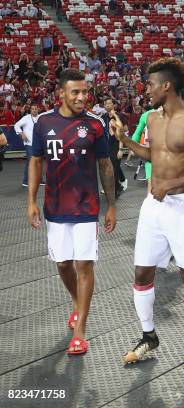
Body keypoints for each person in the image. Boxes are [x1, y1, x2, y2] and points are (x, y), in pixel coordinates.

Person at [113, 57, 184, 365]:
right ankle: (149, 337)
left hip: (183, 206)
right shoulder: (153, 119)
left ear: (167, 85)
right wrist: (125, 140)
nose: (147, 89)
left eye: (152, 84)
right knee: (142, 272)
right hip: (154, 207)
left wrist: (170, 185)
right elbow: (154, 154)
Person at [27, 68, 117, 355]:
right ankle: (77, 303)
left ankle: (80, 330)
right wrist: (31, 200)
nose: (81, 97)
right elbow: (35, 162)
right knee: (63, 264)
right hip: (54, 207)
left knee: (84, 264)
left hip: (86, 206)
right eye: (75, 92)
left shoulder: (95, 124)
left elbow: (105, 164)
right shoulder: (43, 122)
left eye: (84, 91)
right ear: (61, 94)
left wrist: (111, 205)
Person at [102, 97, 127, 198]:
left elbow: (125, 129)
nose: (107, 105)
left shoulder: (120, 115)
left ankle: (116, 190)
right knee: (111, 165)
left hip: (117, 144)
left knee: (114, 167)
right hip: (106, 144)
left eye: (109, 103)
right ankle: (120, 182)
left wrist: (121, 148)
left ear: (113, 105)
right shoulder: (103, 117)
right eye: (105, 104)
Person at [14, 105, 44, 186]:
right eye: (33, 109)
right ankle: (25, 181)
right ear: (30, 110)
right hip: (29, 144)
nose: (34, 110)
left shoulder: (40, 117)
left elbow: (49, 112)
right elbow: (16, 125)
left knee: (38, 162)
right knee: (31, 162)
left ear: (38, 109)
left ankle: (39, 180)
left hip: (38, 144)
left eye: (36, 109)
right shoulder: (26, 118)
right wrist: (21, 133)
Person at [130, 108, 157, 192]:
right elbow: (137, 134)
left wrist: (133, 147)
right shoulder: (146, 115)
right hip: (151, 154)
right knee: (151, 183)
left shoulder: (172, 112)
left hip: (166, 154)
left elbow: (137, 134)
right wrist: (133, 147)